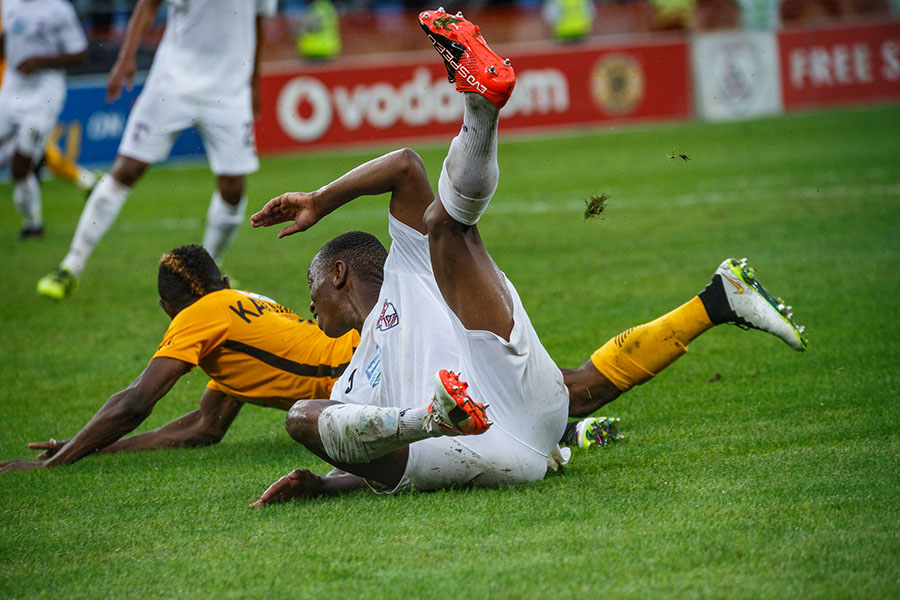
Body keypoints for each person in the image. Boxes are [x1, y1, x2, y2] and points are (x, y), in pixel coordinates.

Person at [248, 8, 807, 504]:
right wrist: (325, 483)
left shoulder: (406, 264)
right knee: (312, 415)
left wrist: (319, 200)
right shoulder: (348, 384)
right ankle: (459, 418)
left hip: (514, 413)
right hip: (492, 440)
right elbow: (373, 455)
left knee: (444, 227)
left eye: (311, 289)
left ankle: (481, 105)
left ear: (339, 274)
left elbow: (405, 166)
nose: (310, 308)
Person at [0, 244, 359, 473]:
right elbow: (204, 426)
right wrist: (88, 446)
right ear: (224, 282)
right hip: (361, 356)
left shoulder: (198, 314)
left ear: (168, 310)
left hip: (357, 373)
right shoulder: (243, 305)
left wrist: (54, 465)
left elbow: (135, 402)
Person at [36, 0, 277, 300]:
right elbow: (148, 6)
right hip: (172, 83)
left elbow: (257, 24)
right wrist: (125, 57)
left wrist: (253, 84)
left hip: (229, 90)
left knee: (233, 187)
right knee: (126, 169)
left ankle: (209, 274)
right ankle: (71, 266)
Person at [0, 0, 88, 239]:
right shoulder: (9, 3)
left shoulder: (58, 9)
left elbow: (80, 54)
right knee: (19, 162)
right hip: (12, 85)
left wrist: (40, 60)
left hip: (44, 93)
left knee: (21, 163)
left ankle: (33, 225)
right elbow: (9, 37)